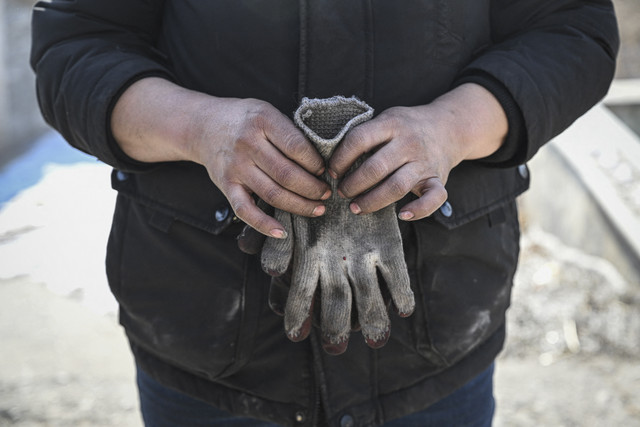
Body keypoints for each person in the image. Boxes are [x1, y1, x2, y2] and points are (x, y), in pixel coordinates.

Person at [30, 1, 618, 426]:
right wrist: (197, 127)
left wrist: (452, 128)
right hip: (206, 337)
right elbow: (76, 46)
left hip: (435, 337)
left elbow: (572, 29)